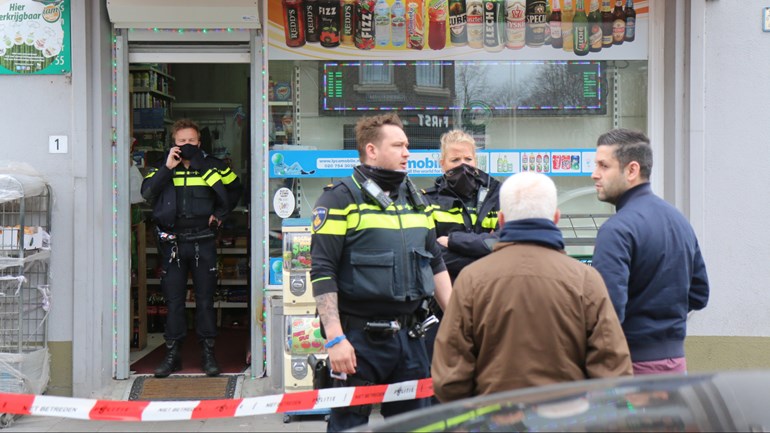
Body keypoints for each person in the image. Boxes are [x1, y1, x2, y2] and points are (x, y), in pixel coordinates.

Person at [432, 172, 632, 403]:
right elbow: (613, 370)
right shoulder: (585, 280)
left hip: (495, 416)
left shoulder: (472, 280)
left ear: (502, 220)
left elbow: (449, 380)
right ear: (556, 218)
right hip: (566, 415)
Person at [310, 113, 453, 432]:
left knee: (416, 425)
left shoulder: (417, 201)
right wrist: (335, 339)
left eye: (407, 146)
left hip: (411, 338)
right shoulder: (338, 199)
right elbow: (322, 271)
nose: (407, 153)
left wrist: (459, 325)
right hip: (358, 341)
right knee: (349, 426)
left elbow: (435, 262)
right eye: (398, 145)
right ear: (372, 150)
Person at [590, 128, 709, 375]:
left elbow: (609, 313)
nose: (594, 174)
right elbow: (699, 294)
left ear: (632, 170)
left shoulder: (616, 230)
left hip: (632, 369)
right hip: (676, 365)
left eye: (603, 166)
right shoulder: (679, 220)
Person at [141, 118, 243, 378]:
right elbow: (148, 193)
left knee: (205, 301)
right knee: (174, 301)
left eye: (191, 141)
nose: (187, 144)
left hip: (203, 241)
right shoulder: (162, 166)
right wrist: (167, 167)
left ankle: (208, 354)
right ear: (173, 143)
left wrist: (220, 214)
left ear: (199, 142)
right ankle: (172, 355)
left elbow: (235, 189)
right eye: (181, 141)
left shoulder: (213, 166)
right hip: (172, 243)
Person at [420, 129, 501, 399]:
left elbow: (507, 245)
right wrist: (483, 248)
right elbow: (431, 256)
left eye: (468, 159)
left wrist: (454, 240)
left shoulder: (499, 195)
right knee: (441, 388)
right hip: (443, 307)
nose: (463, 166)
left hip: (492, 304)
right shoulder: (427, 201)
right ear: (441, 163)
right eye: (455, 160)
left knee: (488, 385)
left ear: (477, 160)